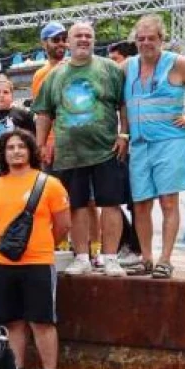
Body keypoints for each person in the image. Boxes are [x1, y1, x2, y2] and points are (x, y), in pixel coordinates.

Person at [125, 14, 185, 278]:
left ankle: (165, 259)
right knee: (141, 204)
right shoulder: (128, 67)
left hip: (169, 142)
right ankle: (146, 258)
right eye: (141, 39)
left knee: (169, 202)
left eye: (151, 39)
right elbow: (121, 103)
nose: (146, 43)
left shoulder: (177, 64)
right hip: (140, 144)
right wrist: (123, 134)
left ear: (162, 39)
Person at [34, 21, 131, 277]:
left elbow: (124, 104)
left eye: (89, 35)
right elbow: (43, 112)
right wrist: (41, 145)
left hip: (107, 149)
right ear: (69, 41)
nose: (84, 39)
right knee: (75, 206)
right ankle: (81, 257)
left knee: (110, 203)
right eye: (78, 35)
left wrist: (124, 133)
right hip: (69, 153)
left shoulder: (110, 69)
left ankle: (110, 257)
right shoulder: (54, 75)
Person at [0, 130, 72, 369]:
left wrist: (41, 244)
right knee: (12, 323)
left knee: (42, 322)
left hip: (38, 262)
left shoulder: (50, 184)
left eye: (21, 146)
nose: (16, 152)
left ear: (31, 150)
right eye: (10, 147)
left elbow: (63, 225)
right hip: (5, 263)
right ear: (3, 153)